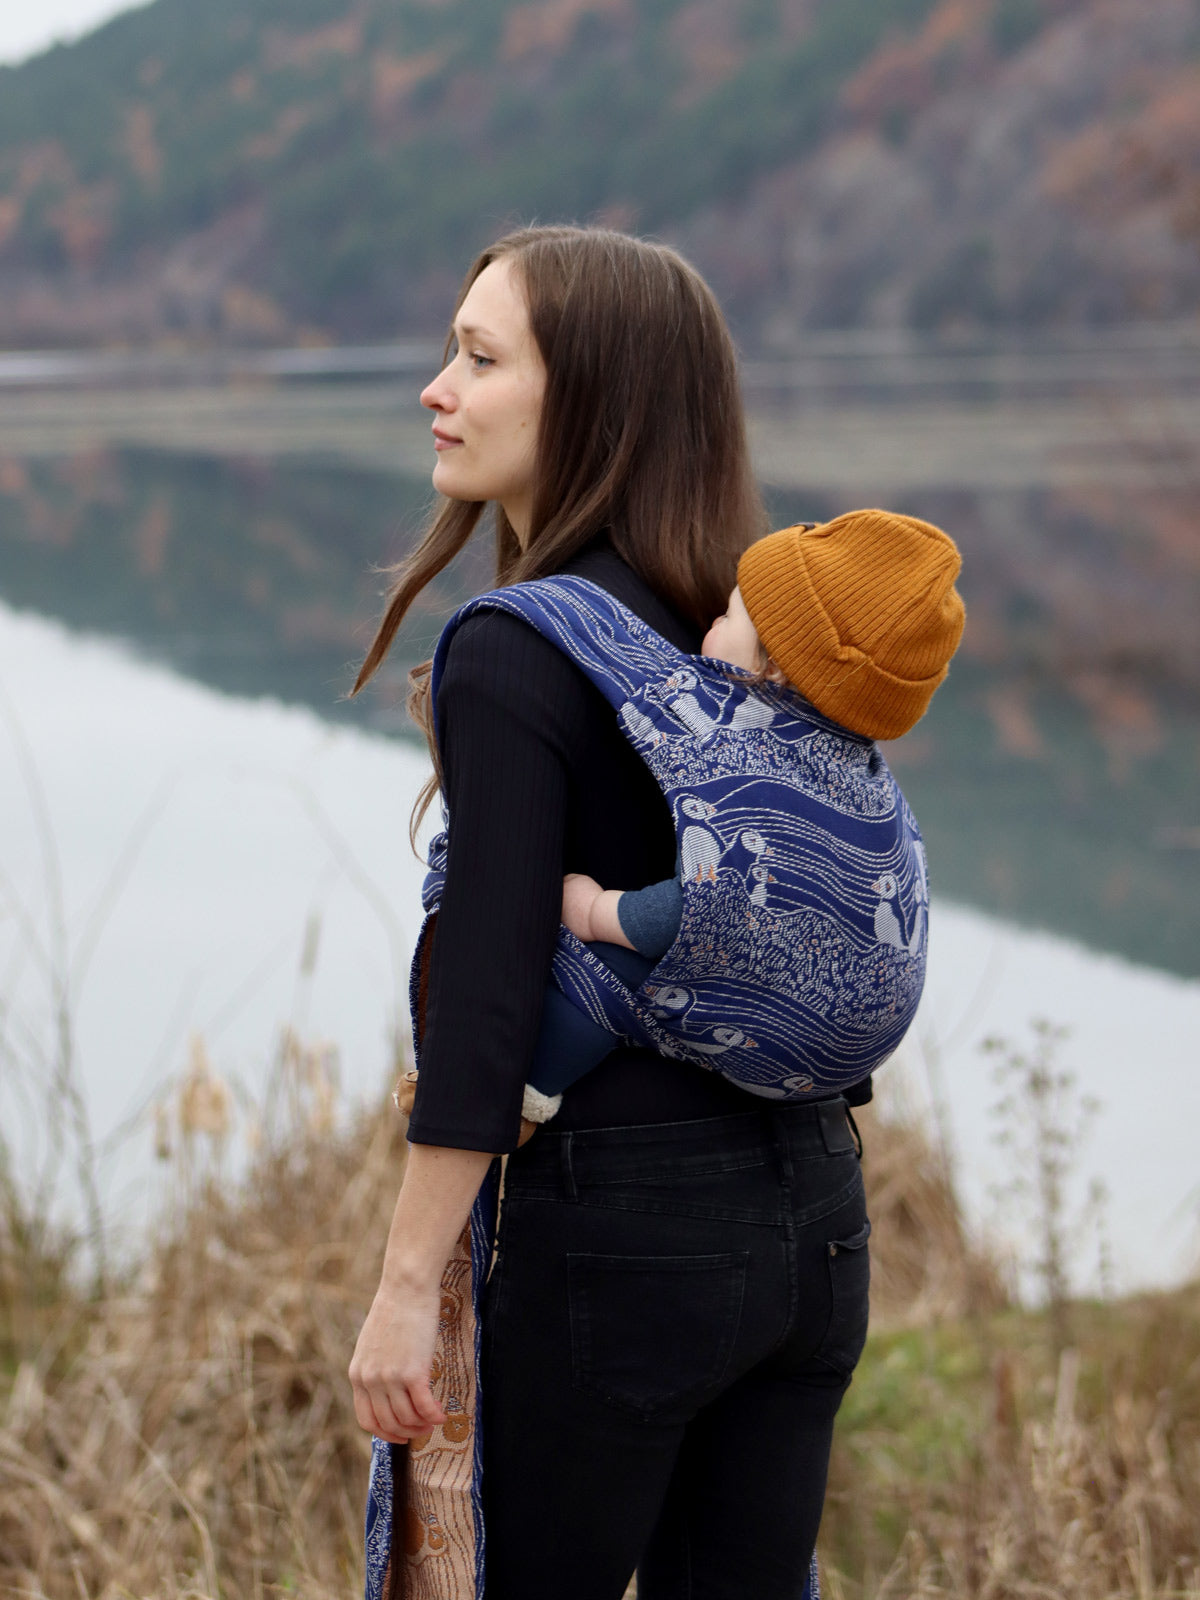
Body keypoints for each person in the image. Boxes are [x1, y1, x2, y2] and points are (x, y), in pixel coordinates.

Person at [348, 225, 898, 1600]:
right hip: (814, 1215)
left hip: (627, 1239)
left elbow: (483, 997)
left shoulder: (518, 647)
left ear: (589, 396)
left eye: (477, 358)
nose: (437, 387)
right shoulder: (753, 624)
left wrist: (410, 1285)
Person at [514, 512, 964, 1131]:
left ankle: (528, 1094)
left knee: (604, 979)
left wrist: (597, 911)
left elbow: (702, 910)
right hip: (858, 1050)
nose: (710, 625)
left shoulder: (746, 764)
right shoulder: (857, 772)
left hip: (784, 1046)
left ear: (774, 668)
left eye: (728, 616)